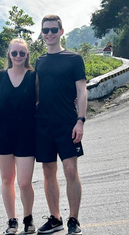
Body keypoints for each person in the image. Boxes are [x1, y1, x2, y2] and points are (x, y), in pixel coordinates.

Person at [35, 15, 87, 235]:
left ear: (61, 31)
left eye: (53, 30)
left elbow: (82, 91)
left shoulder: (74, 59)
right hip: (43, 125)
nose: (49, 34)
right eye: (45, 30)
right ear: (42, 33)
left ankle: (73, 220)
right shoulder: (39, 61)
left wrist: (80, 120)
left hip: (67, 122)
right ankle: (55, 219)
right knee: (48, 171)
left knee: (70, 170)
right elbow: (35, 93)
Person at [0, 38, 37, 235]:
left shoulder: (33, 76)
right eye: (15, 53)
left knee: (24, 182)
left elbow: (42, 102)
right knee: (6, 179)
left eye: (22, 53)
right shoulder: (1, 75)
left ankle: (28, 219)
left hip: (27, 134)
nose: (18, 56)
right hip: (4, 133)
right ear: (9, 55)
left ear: (27, 55)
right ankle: (11, 221)